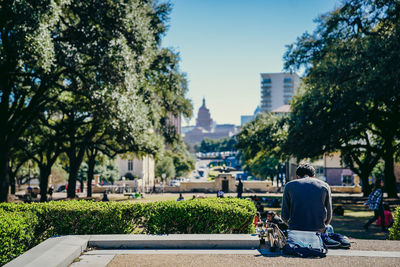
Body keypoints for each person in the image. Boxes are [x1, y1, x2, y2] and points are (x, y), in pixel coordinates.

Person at [281, 163, 332, 233]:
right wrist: (322, 225)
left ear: (298, 176)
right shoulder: (324, 186)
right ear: (313, 176)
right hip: (318, 230)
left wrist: (291, 225)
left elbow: (284, 215)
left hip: (295, 229)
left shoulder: (289, 186)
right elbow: (329, 214)